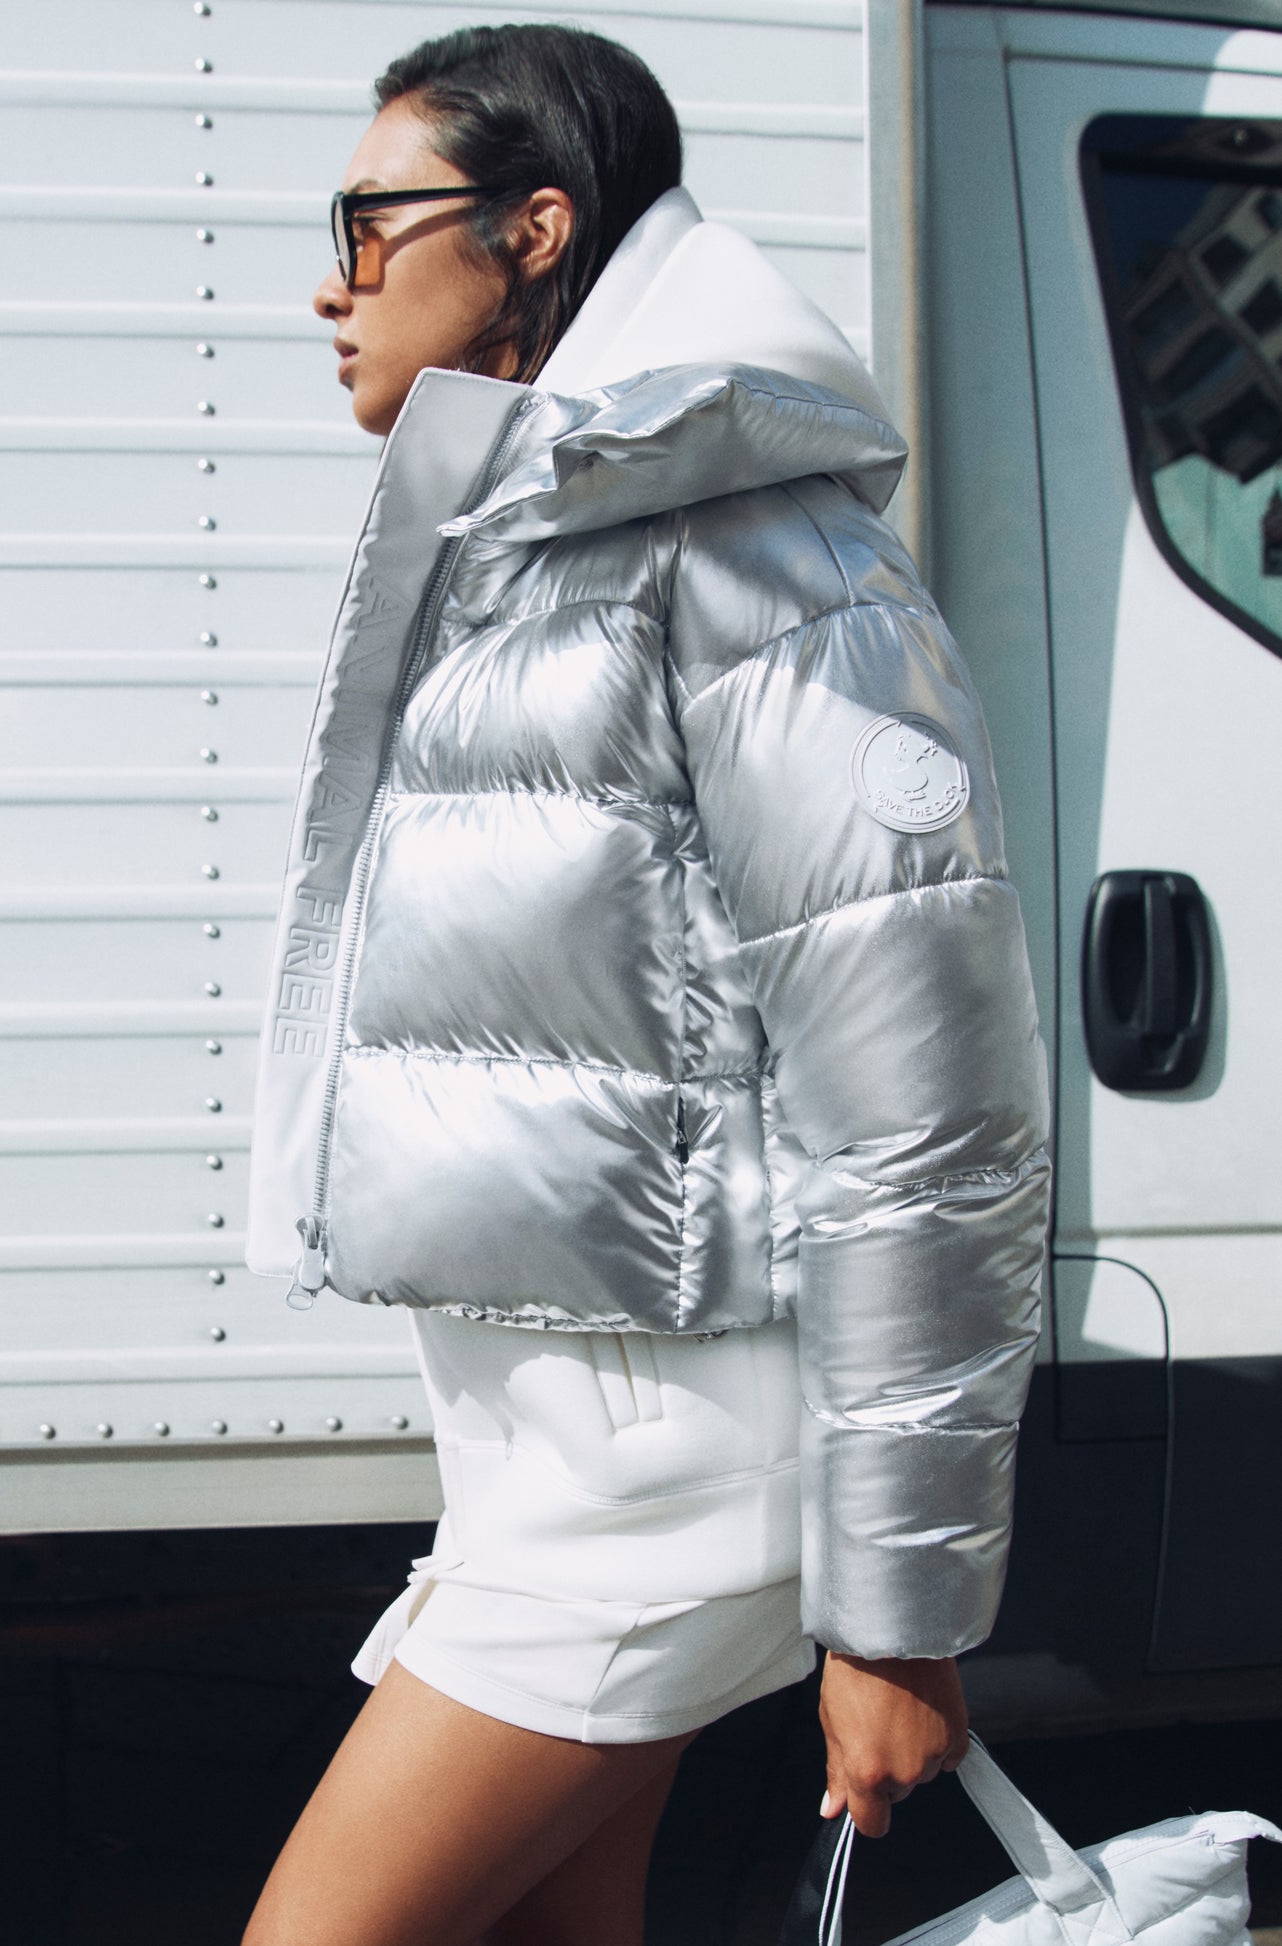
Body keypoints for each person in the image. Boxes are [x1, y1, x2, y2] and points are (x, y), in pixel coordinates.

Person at [239, 23, 1051, 1946]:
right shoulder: (536, 538)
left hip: (661, 1487)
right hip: (557, 1461)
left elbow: (919, 1101)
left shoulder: (758, 554)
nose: (328, 278)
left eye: (370, 219)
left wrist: (898, 1614)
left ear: (535, 228)